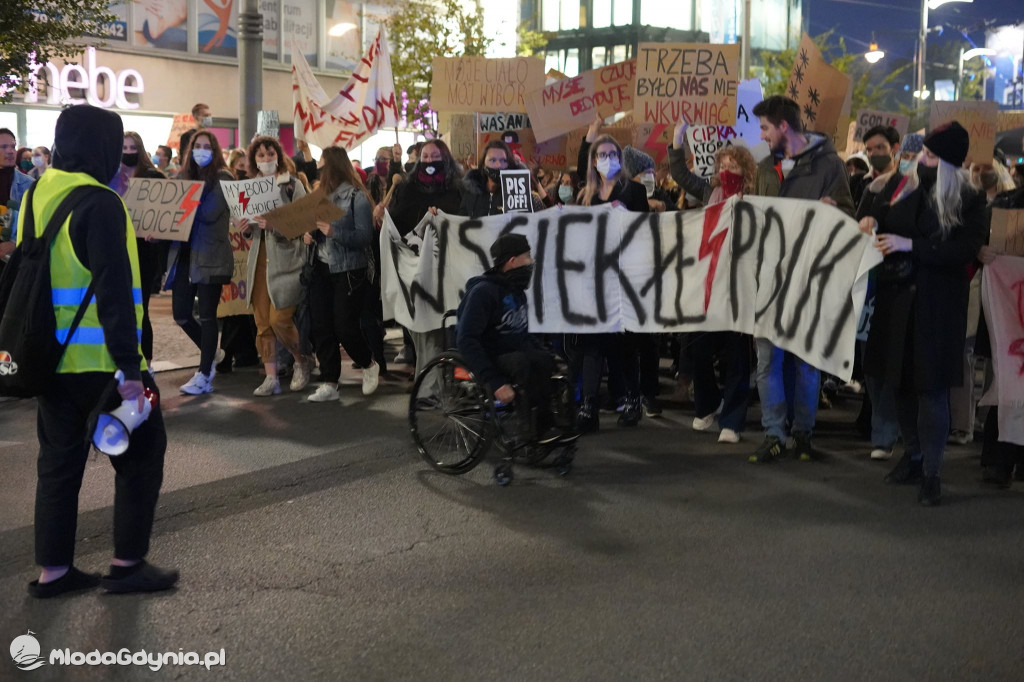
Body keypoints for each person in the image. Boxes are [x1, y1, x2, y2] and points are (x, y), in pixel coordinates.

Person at [20, 104, 176, 598]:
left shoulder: (37, 194)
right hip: (102, 363)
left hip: (49, 359)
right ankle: (127, 565)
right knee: (142, 454)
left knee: (58, 465)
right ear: (103, 147)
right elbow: (113, 291)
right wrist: (131, 369)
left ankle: (54, 572)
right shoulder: (100, 203)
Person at [861, 122, 987, 506]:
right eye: (922, 154)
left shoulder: (969, 199)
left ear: (949, 163)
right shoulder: (908, 185)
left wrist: (909, 244)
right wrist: (873, 219)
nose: (921, 161)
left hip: (937, 307)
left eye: (931, 156)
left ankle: (932, 471)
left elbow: (963, 251)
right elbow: (884, 213)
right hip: (898, 302)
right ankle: (912, 455)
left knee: (931, 390)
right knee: (897, 383)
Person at [748, 95, 855, 464]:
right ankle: (774, 434)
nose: (760, 135)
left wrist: (835, 211)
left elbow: (849, 219)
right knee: (767, 363)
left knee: (806, 362)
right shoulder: (764, 169)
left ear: (782, 127)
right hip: (770, 281)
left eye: (764, 127)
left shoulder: (829, 166)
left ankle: (803, 434)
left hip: (808, 281)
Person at [668, 120, 758, 442]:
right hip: (710, 283)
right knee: (698, 348)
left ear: (745, 168)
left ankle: (732, 421)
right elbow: (681, 176)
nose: (727, 169)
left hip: (742, 286)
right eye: (723, 165)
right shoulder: (710, 192)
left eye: (734, 165)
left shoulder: (756, 198)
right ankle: (708, 404)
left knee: (737, 354)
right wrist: (678, 142)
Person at [457, 233, 574, 444]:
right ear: (512, 261)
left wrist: (545, 354)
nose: (531, 262)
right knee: (523, 364)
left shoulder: (516, 291)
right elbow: (466, 339)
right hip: (490, 354)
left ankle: (545, 423)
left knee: (545, 359)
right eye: (527, 256)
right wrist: (494, 382)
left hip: (513, 349)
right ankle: (527, 432)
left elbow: (522, 332)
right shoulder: (483, 292)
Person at [571, 133, 650, 431]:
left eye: (613, 154)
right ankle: (588, 406)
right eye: (602, 155)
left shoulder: (635, 192)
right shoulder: (584, 196)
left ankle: (632, 399)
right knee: (593, 342)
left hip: (624, 276)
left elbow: (645, 232)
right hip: (593, 278)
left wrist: (626, 216)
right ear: (593, 161)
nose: (608, 160)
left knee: (624, 343)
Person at [234, 136, 313, 396]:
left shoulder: (292, 185)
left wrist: (276, 226)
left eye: (270, 154)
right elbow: (249, 228)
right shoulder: (249, 188)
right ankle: (271, 376)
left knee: (280, 319)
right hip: (259, 261)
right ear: (253, 160)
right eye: (261, 156)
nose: (266, 159)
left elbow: (304, 223)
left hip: (286, 262)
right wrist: (245, 229)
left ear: (278, 156)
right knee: (262, 323)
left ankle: (301, 360)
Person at [304, 145, 381, 402]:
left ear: (332, 166)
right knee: (321, 326)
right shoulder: (319, 196)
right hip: (321, 267)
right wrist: (310, 235)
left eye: (322, 165)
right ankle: (330, 382)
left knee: (345, 326)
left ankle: (368, 363)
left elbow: (364, 237)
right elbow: (313, 227)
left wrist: (334, 232)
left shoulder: (355, 197)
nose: (319, 170)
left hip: (348, 270)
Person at [387, 139, 463, 376]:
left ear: (445, 159)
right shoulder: (408, 188)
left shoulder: (458, 188)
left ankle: (435, 380)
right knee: (419, 324)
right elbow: (397, 221)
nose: (430, 161)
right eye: (426, 157)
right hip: (416, 267)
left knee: (440, 325)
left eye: (435, 157)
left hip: (447, 267)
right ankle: (428, 376)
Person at [169, 129, 234, 395]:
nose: (202, 150)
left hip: (210, 257)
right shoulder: (184, 177)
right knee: (182, 314)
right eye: (198, 145)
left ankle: (205, 374)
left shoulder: (223, 178)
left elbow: (208, 213)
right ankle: (213, 352)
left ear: (215, 150)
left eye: (207, 146)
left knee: (207, 316)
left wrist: (179, 200)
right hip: (184, 256)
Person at [855, 125, 906, 461]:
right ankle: (883, 427)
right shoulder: (867, 187)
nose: (874, 153)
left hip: (897, 282)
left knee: (889, 362)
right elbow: (857, 223)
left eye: (880, 147)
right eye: (869, 148)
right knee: (869, 361)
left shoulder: (909, 186)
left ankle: (886, 434)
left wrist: (880, 218)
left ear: (895, 148)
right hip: (869, 280)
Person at [111, 131, 166, 368]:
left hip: (144, 251)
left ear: (141, 149)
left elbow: (165, 214)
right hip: (117, 249)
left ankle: (147, 361)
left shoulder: (153, 177)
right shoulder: (111, 177)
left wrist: (158, 234)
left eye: (133, 148)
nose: (129, 152)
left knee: (139, 306)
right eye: (124, 147)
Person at [460, 140, 544, 217]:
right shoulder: (470, 191)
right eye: (492, 160)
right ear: (483, 164)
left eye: (503, 161)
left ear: (509, 164)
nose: (498, 165)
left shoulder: (518, 194)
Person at [0, 128, 36, 261]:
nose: (10, 151)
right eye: (3, 147)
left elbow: (36, 223)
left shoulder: (29, 184)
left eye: (13, 147)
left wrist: (15, 242)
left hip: (15, 258)